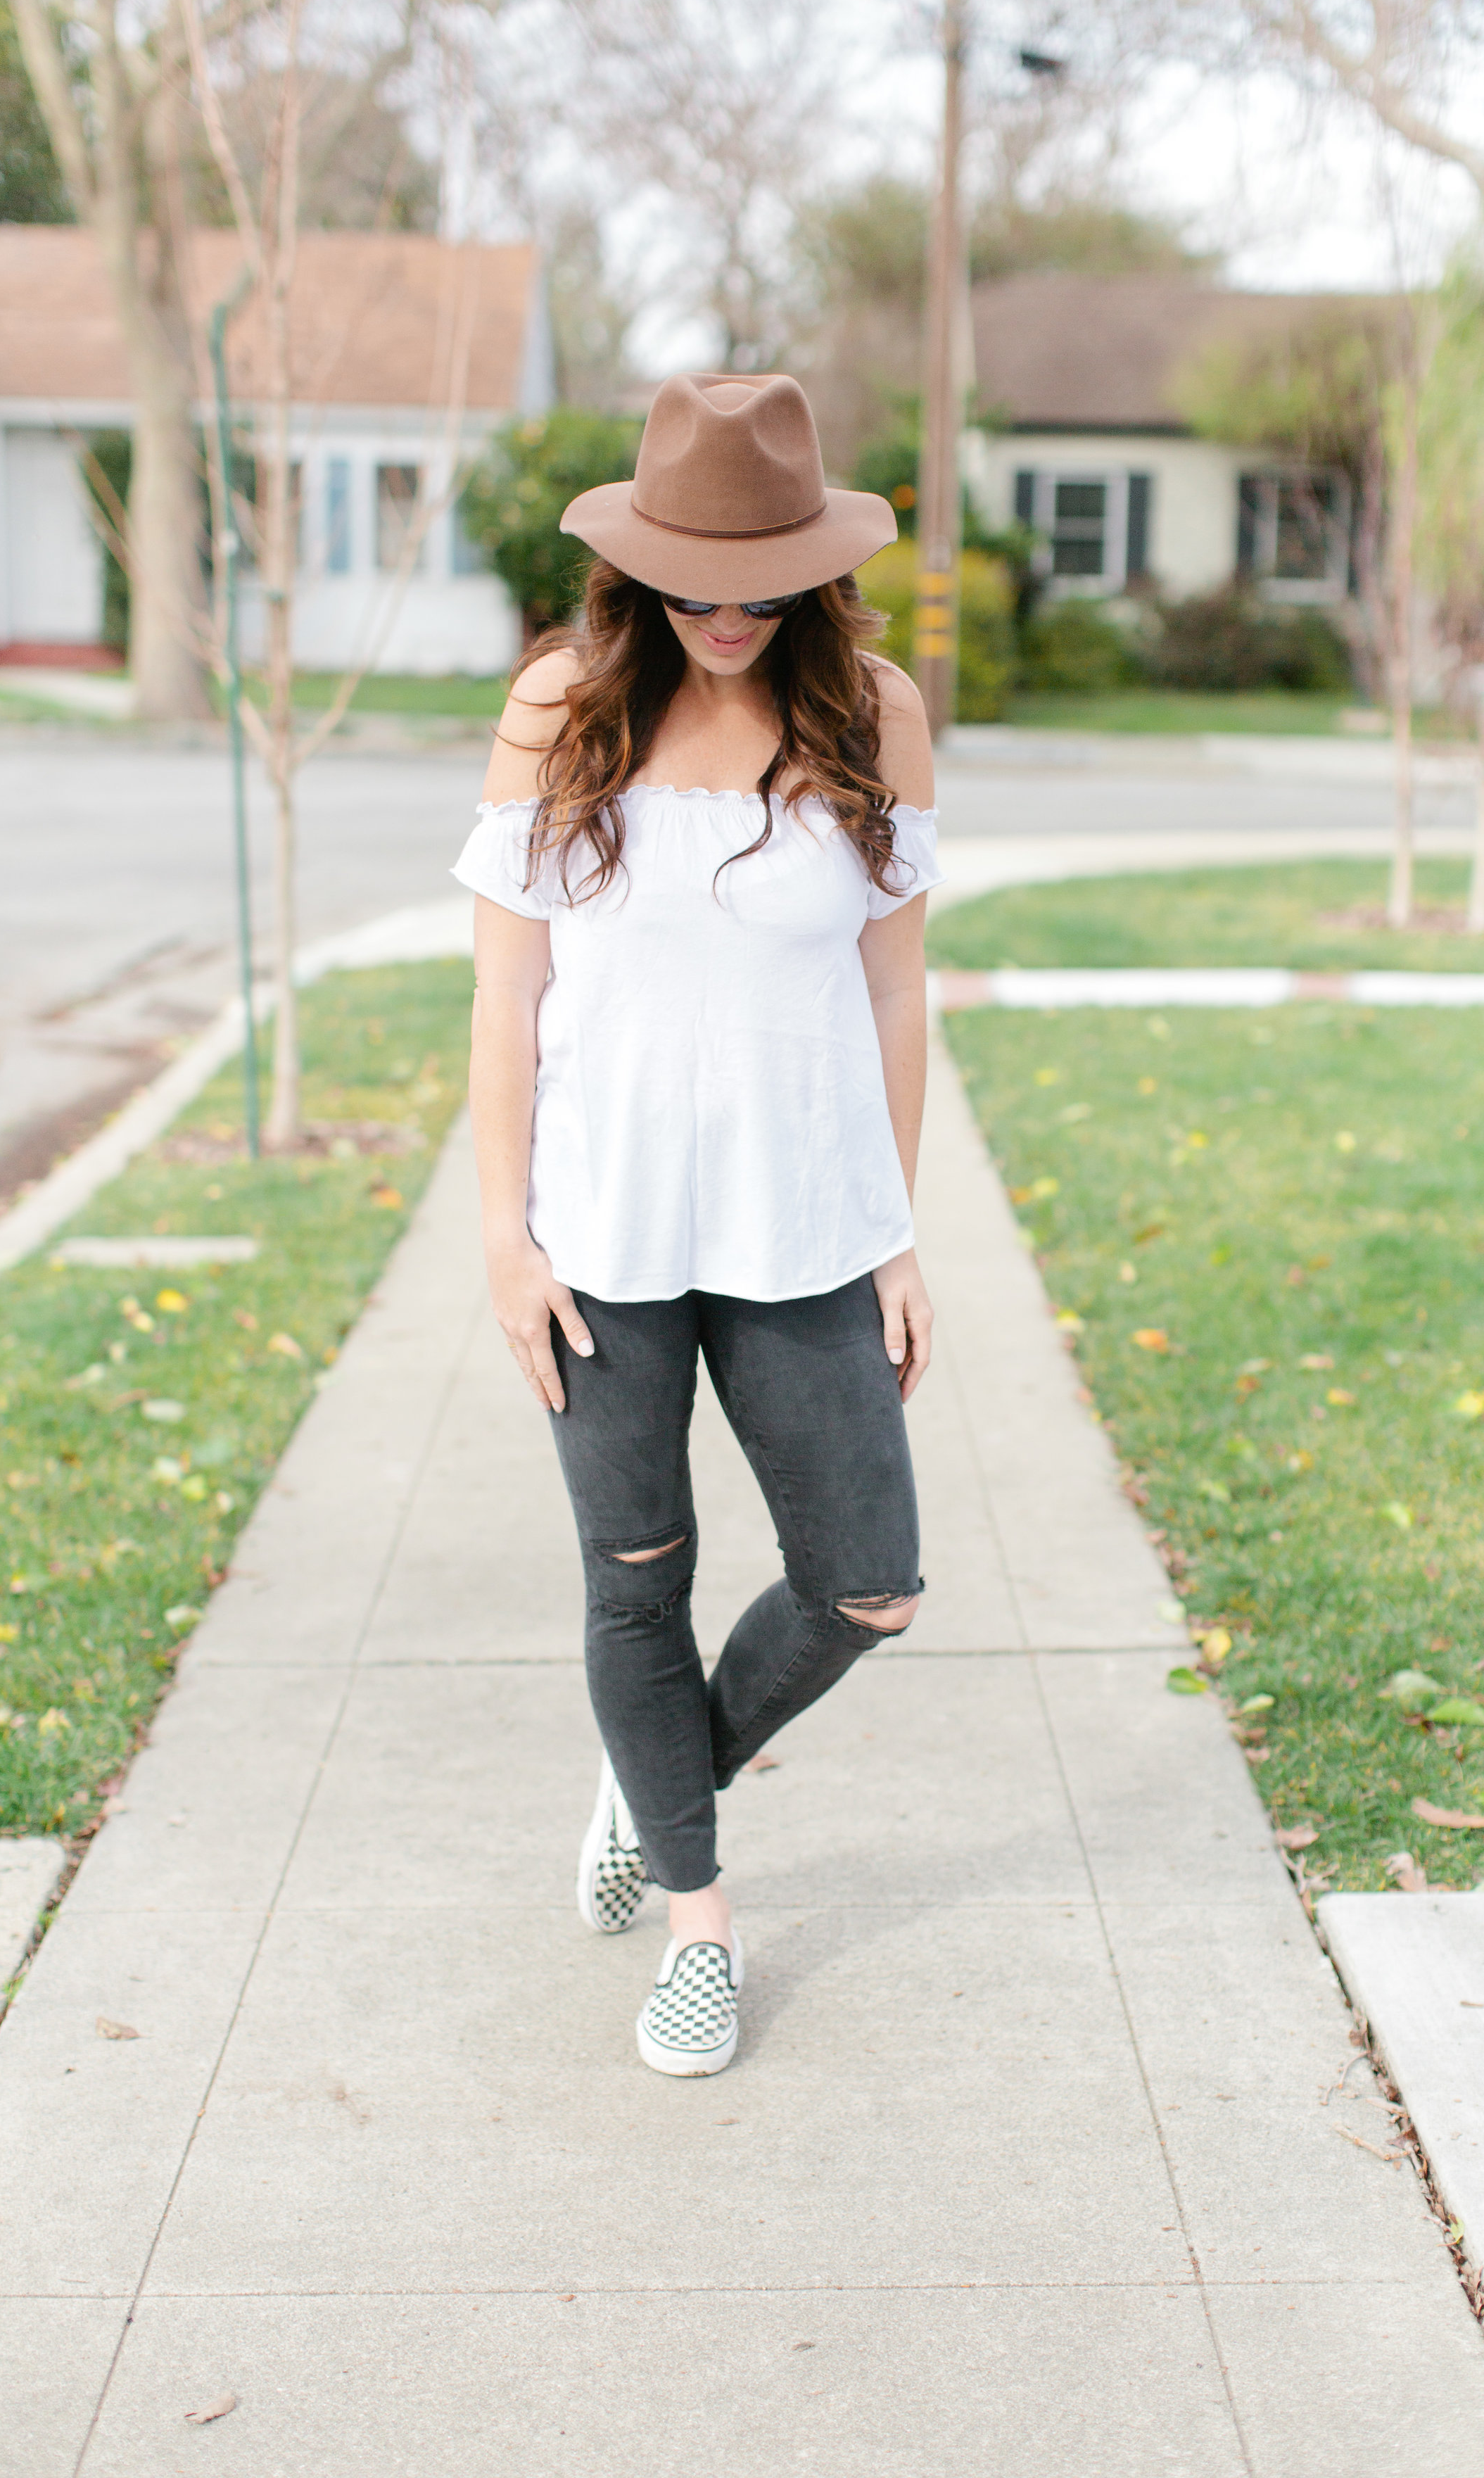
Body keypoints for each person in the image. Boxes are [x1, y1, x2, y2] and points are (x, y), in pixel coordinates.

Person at [454, 370, 941, 2078]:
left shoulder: (873, 712)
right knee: (637, 1586)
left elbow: (896, 993)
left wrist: (895, 1232)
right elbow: (505, 998)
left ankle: (658, 1780)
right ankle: (699, 1925)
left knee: (866, 1585)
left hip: (804, 1224)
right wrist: (506, 1241)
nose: (728, 618)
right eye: (694, 586)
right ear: (636, 566)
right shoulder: (561, 705)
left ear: (816, 570)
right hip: (604, 1238)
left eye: (763, 588)